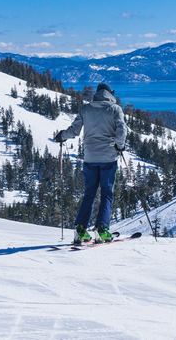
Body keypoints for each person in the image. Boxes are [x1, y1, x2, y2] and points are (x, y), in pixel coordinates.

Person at [55, 83, 127, 244]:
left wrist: (62, 136)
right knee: (107, 194)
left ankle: (80, 230)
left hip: (90, 158)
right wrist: (120, 145)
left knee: (89, 194)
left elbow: (74, 130)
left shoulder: (86, 109)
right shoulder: (115, 109)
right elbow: (122, 130)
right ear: (110, 94)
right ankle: (102, 229)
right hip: (108, 158)